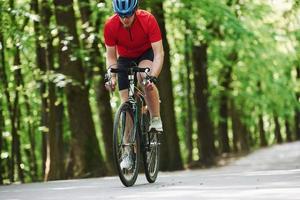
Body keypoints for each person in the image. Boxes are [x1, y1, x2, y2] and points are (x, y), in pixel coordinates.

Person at [104, 0, 164, 169]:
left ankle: (155, 118)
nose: (125, 19)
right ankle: (128, 152)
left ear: (135, 10)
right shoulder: (110, 25)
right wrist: (111, 76)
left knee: (143, 78)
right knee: (126, 104)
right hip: (124, 58)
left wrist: (152, 76)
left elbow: (159, 53)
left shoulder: (148, 20)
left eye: (128, 14)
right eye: (121, 15)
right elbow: (110, 56)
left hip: (146, 53)